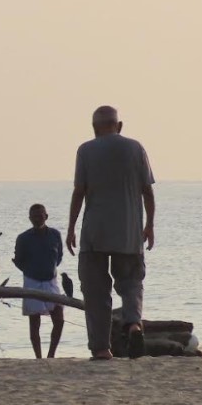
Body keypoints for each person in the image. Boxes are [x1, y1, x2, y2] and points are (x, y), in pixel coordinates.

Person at [66, 105, 156, 360]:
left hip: (95, 232)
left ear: (94, 128)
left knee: (95, 291)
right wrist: (149, 225)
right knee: (131, 283)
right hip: (128, 232)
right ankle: (133, 324)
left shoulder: (85, 150)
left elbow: (79, 192)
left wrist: (71, 228)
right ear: (119, 125)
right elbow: (147, 191)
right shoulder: (136, 148)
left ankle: (101, 348)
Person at [14, 204, 65, 358]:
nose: (37, 219)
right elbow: (19, 261)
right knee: (34, 322)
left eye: (40, 216)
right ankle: (38, 357)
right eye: (34, 216)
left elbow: (59, 257)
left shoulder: (55, 235)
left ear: (46, 217)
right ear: (30, 218)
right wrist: (31, 271)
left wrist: (49, 268)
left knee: (59, 319)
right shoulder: (23, 238)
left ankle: (51, 354)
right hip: (32, 281)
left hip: (51, 281)